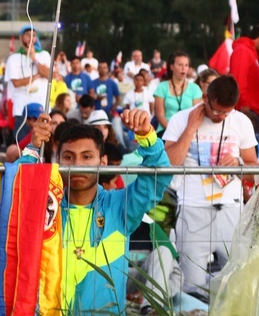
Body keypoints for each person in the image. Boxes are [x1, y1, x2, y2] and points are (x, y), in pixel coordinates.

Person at [25, 108, 171, 314]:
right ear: (58, 161)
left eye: (86, 156)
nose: (77, 165)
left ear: (103, 162)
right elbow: (15, 194)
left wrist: (147, 136)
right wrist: (32, 148)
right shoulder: (47, 206)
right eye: (68, 157)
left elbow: (159, 177)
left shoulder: (121, 206)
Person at [162, 75, 259, 299]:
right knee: (192, 286)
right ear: (206, 97)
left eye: (227, 112)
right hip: (192, 210)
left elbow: (254, 168)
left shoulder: (241, 121)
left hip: (231, 210)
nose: (221, 117)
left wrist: (239, 164)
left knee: (238, 283)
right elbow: (169, 164)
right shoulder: (181, 119)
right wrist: (190, 129)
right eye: (217, 111)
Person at [4, 24, 52, 140]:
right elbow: (16, 83)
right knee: (22, 144)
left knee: (42, 142)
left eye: (34, 35)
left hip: (42, 107)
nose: (31, 38)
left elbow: (49, 76)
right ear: (21, 38)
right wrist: (36, 75)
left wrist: (34, 58)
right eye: (28, 35)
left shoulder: (44, 55)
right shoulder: (13, 58)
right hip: (21, 109)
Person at [228, 25, 259, 124]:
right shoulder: (243, 50)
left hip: (252, 109)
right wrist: (244, 105)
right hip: (246, 109)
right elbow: (239, 80)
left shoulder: (252, 52)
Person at [154, 51, 202, 133]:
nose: (184, 68)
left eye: (186, 65)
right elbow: (160, 115)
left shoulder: (195, 88)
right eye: (180, 65)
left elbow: (197, 114)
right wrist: (173, 130)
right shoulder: (162, 87)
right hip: (166, 130)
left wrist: (186, 132)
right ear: (172, 67)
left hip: (188, 131)